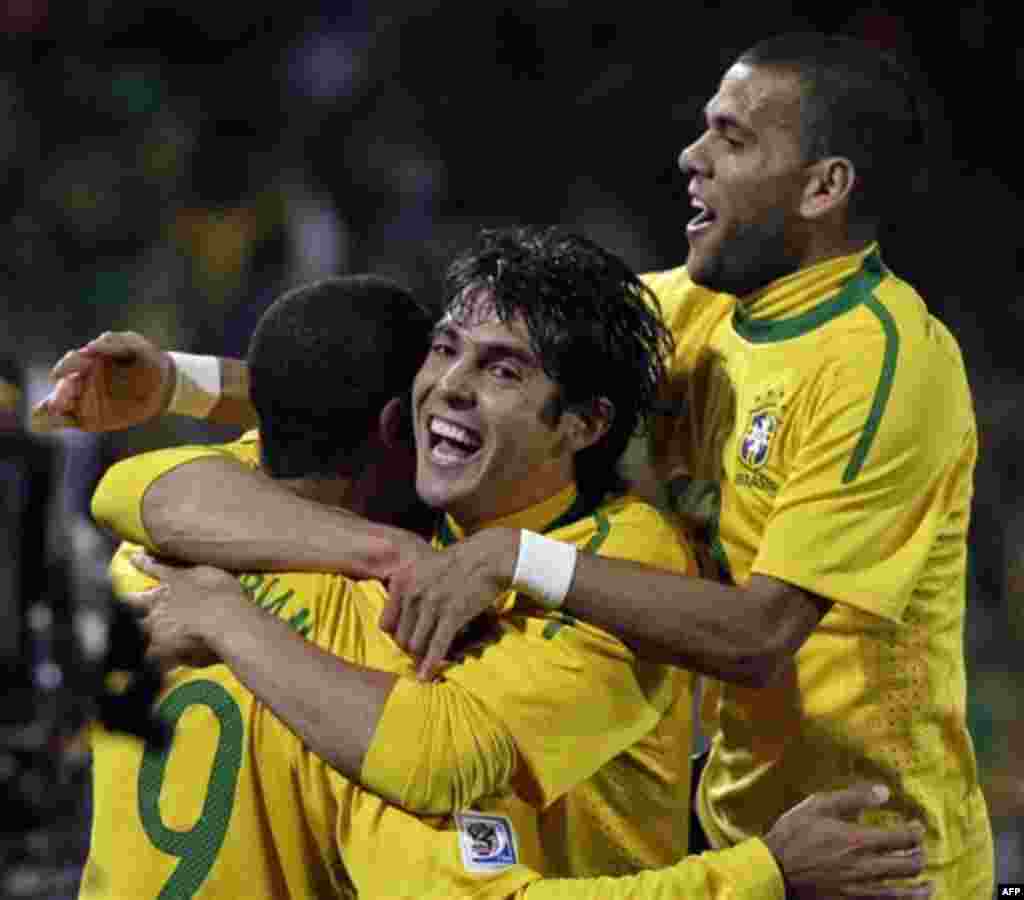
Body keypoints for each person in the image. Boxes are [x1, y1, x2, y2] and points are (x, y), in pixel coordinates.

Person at [71, 233, 930, 899]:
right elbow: (142, 479)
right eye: (443, 353)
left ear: (583, 425)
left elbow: (434, 758)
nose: (450, 385)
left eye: (502, 369)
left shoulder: (617, 576)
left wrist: (224, 611)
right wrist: (184, 382)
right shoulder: (380, 539)